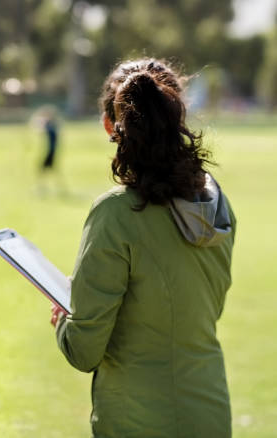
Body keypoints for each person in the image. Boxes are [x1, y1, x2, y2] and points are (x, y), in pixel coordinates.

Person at [50, 59, 236, 437]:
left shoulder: (116, 214)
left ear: (110, 126)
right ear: (176, 113)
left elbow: (84, 351)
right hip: (210, 413)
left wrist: (64, 321)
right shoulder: (218, 204)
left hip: (136, 421)